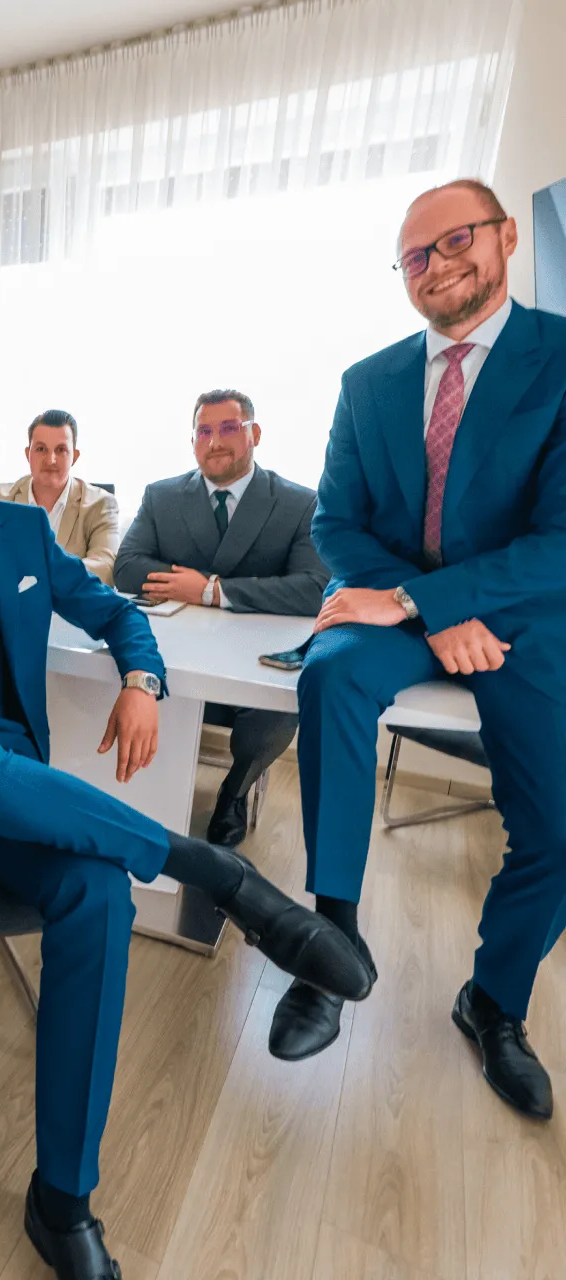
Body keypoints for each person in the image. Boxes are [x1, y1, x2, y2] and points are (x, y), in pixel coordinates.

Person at [0, 348, 373, 1280]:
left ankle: (62, 1198)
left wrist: (141, 680)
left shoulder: (25, 534)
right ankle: (218, 874)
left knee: (100, 890)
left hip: (5, 796)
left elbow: (118, 612)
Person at [270, 179, 566, 1123]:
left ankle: (494, 1001)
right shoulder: (368, 382)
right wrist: (423, 611)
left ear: (505, 236)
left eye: (456, 240)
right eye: (414, 256)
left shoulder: (560, 359)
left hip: (523, 616)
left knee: (560, 828)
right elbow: (335, 522)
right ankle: (331, 945)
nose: (435, 265)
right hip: (397, 608)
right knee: (330, 676)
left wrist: (427, 601)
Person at [113, 391, 329, 846]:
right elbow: (127, 566)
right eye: (204, 431)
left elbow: (314, 588)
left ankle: (235, 791)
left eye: (229, 428)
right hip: (174, 656)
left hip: (251, 662)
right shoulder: (161, 495)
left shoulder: (300, 503)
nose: (215, 442)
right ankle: (136, 790)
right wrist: (187, 586)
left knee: (278, 705)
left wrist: (212, 591)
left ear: (255, 434)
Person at [0, 409, 121, 584]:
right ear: (28, 454)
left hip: (69, 602)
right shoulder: (2, 497)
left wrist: (47, 572)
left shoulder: (100, 504)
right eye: (41, 449)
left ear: (74, 457)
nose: (50, 460)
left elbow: (106, 568)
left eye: (61, 450)